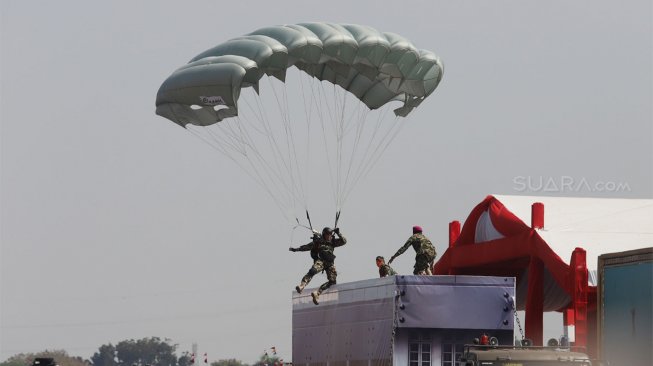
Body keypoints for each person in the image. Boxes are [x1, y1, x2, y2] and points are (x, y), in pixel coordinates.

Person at [289, 227, 347, 305]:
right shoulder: (318, 242)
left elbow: (344, 241)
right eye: (327, 235)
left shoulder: (333, 242)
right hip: (322, 261)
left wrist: (338, 233)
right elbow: (306, 247)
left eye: (330, 235)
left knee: (332, 282)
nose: (329, 237)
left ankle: (317, 293)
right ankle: (302, 285)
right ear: (324, 235)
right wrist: (296, 249)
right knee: (312, 271)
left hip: (330, 264)